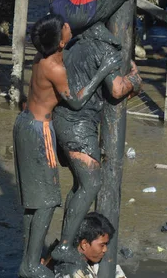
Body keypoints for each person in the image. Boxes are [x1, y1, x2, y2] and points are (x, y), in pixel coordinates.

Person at [14, 14, 123, 278]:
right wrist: (103, 70)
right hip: (39, 131)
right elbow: (76, 101)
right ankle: (32, 264)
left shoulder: (41, 58)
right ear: (61, 42)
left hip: (24, 123)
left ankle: (31, 257)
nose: (68, 27)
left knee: (34, 201)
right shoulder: (55, 68)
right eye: (65, 28)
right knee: (48, 200)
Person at [51, 22, 142, 267]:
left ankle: (66, 242)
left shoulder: (74, 43)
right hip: (78, 126)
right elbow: (117, 89)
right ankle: (64, 245)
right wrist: (136, 80)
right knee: (92, 183)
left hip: (63, 120)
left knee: (81, 184)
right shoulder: (104, 49)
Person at [54, 212, 115, 278]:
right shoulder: (74, 271)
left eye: (106, 244)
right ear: (84, 244)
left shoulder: (83, 263)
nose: (105, 249)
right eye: (102, 245)